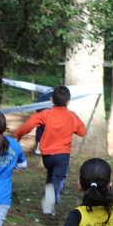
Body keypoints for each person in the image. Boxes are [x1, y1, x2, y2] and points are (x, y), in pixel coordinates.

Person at [14, 85, 86, 216]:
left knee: (51, 176)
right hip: (62, 155)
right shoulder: (72, 116)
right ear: (68, 101)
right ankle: (52, 200)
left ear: (51, 100)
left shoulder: (45, 114)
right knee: (58, 178)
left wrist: (18, 135)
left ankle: (49, 205)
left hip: (46, 156)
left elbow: (27, 126)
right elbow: (82, 132)